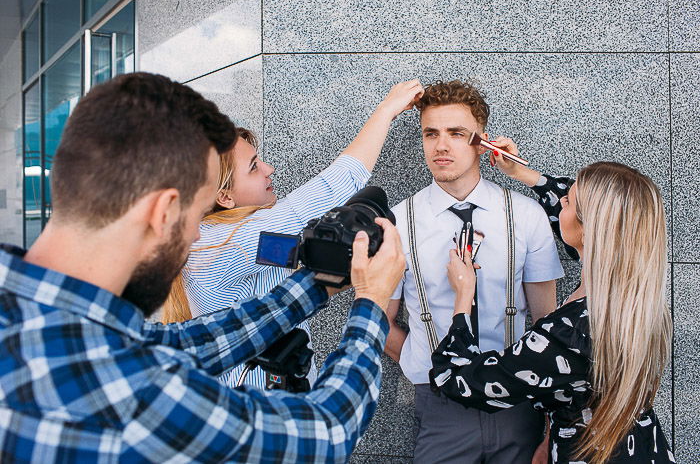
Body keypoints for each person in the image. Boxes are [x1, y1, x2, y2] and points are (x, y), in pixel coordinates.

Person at [0, 72, 407, 462]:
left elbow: (176, 344)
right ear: (162, 212)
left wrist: (315, 289)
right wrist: (370, 302)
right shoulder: (132, 395)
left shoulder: (56, 324)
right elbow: (326, 434)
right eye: (197, 215)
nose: (197, 238)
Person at [162, 80, 424, 391]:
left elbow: (294, 245)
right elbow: (319, 196)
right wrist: (385, 112)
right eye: (253, 167)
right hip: (258, 414)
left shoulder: (247, 239)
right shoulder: (220, 245)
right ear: (225, 197)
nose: (269, 168)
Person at [430, 144, 674, 463]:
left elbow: (460, 379)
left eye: (569, 202)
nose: (560, 201)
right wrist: (521, 173)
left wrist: (464, 296)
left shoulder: (570, 334)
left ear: (590, 232)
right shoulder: (630, 295)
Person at [384, 80, 564, 463]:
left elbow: (546, 320)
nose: (441, 146)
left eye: (456, 133)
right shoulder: (397, 222)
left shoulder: (526, 215)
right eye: (430, 133)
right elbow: (379, 319)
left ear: (481, 141)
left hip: (517, 398)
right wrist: (421, 364)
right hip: (438, 402)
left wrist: (548, 417)